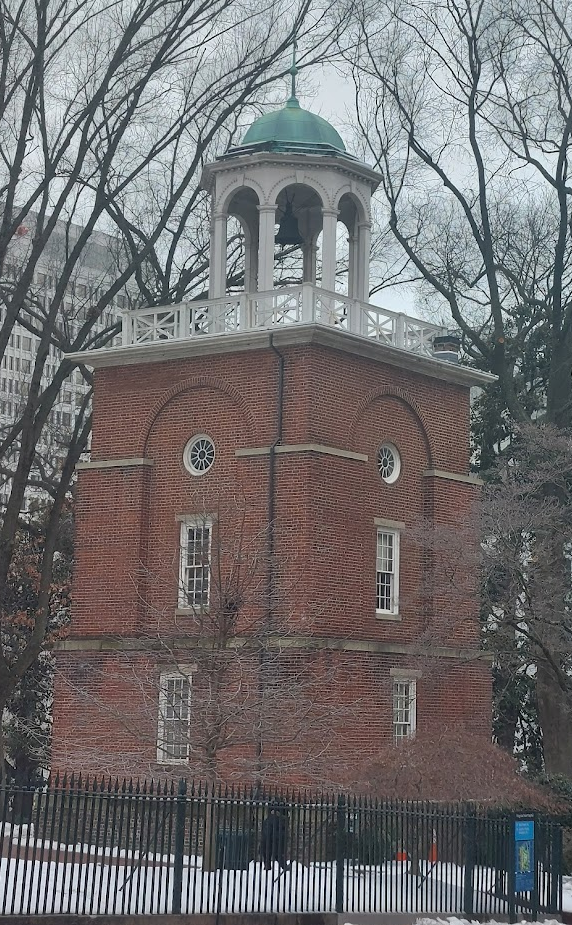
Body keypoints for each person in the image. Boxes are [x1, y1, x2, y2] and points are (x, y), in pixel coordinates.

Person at [260, 801, 288, 871]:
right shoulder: (280, 821)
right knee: (278, 855)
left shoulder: (268, 820)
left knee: (267, 855)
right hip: (275, 841)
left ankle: (267, 867)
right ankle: (285, 868)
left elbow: (265, 832)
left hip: (267, 841)